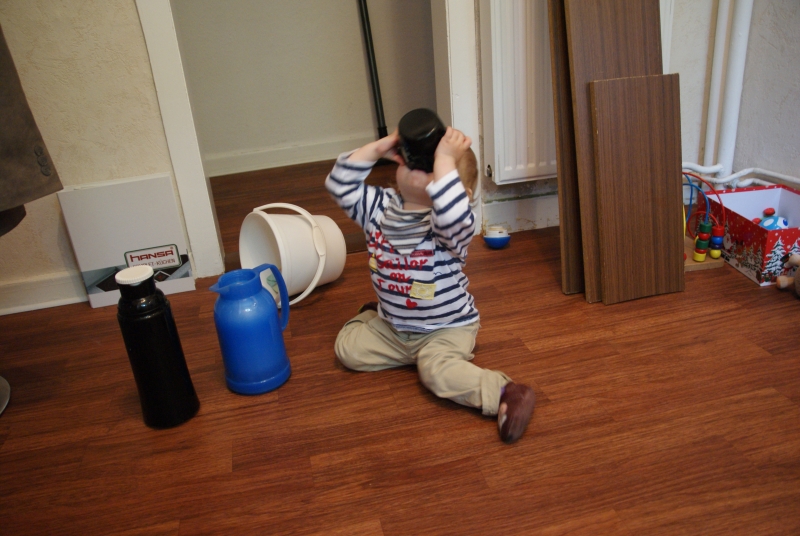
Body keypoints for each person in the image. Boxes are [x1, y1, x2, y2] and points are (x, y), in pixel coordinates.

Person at [325, 126, 535, 443]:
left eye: (434, 166)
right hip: (393, 327)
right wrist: (380, 147)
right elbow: (339, 184)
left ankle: (505, 392)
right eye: (419, 160)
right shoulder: (377, 208)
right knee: (347, 351)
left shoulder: (449, 227)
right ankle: (374, 315)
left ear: (459, 194)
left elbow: (452, 212)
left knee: (436, 373)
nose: (423, 166)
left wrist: (444, 159)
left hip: (447, 329)